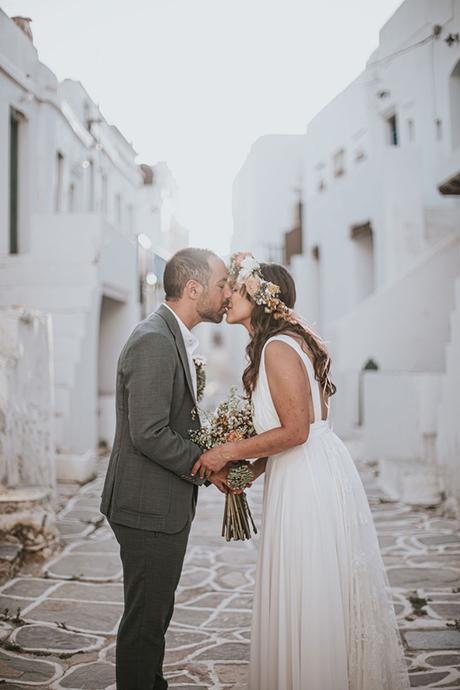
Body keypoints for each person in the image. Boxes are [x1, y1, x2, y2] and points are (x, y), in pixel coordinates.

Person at [192, 253, 410, 690]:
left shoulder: (277, 347)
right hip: (304, 470)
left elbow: (297, 429)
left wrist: (227, 449)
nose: (229, 294)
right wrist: (247, 472)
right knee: (307, 587)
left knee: (308, 591)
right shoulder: (279, 345)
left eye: (239, 288)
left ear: (262, 298)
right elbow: (291, 430)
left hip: (307, 479)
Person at [100, 247, 232, 690]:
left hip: (157, 506)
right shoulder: (154, 340)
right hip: (146, 507)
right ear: (194, 290)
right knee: (144, 625)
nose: (227, 293)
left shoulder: (170, 336)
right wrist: (206, 466)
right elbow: (149, 432)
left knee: (153, 617)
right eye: (221, 285)